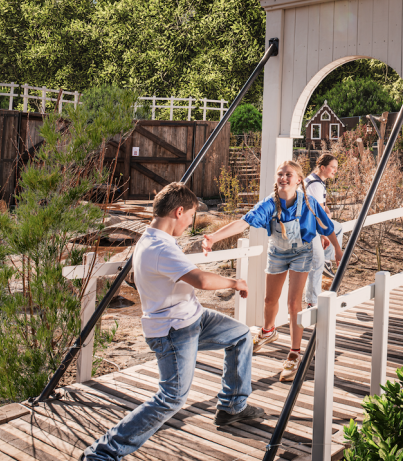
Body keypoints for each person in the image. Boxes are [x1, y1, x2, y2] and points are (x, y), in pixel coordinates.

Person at [83, 183, 261, 461]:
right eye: (190, 216)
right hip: (172, 331)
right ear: (179, 212)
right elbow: (201, 280)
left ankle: (232, 406)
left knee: (240, 335)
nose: (190, 222)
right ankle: (102, 453)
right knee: (172, 398)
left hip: (193, 317)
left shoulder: (155, 238)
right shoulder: (158, 247)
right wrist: (234, 282)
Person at [204, 160, 342, 382]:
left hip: (301, 253)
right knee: (269, 300)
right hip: (277, 252)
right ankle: (268, 331)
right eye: (280, 174)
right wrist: (213, 237)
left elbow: (327, 226)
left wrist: (337, 249)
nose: (283, 178)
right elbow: (243, 223)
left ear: (298, 180)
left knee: (293, 303)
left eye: (288, 175)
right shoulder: (270, 203)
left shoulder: (309, 203)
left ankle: (294, 353)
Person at [304, 154, 344, 308]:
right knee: (316, 263)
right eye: (332, 167)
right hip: (309, 225)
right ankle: (312, 302)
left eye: (336, 167)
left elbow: (321, 206)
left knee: (338, 227)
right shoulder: (315, 184)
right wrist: (323, 235)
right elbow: (319, 215)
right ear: (322, 167)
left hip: (312, 222)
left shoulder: (316, 181)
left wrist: (327, 211)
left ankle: (327, 261)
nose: (335, 170)